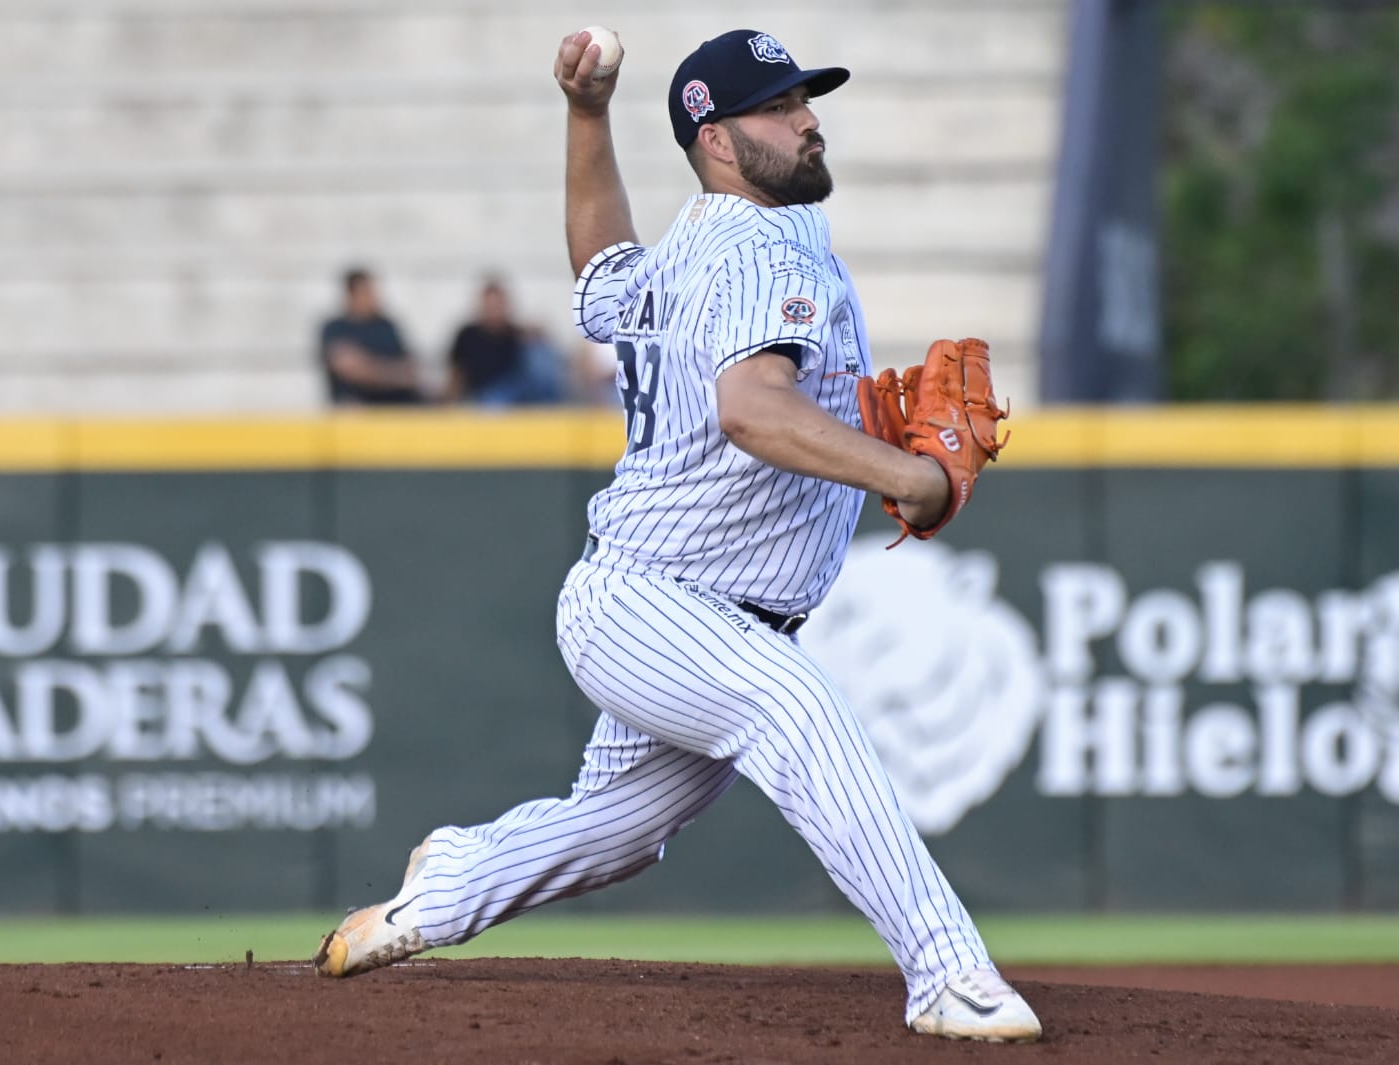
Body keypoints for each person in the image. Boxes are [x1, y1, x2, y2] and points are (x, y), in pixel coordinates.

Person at [311, 27, 1041, 1045]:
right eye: (778, 108)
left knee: (616, 831)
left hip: (677, 603)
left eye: (804, 100)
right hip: (660, 603)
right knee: (794, 711)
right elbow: (751, 409)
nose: (808, 120)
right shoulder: (762, 247)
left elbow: (601, 266)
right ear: (717, 141)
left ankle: (445, 887)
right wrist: (911, 479)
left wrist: (586, 115)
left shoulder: (693, 247)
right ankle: (948, 974)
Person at [443, 277, 566, 406]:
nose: (493, 312)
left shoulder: (516, 334)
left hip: (518, 394)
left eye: (497, 306)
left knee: (539, 352)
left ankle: (550, 405)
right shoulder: (468, 335)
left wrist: (536, 335)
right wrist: (449, 402)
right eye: (490, 306)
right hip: (484, 398)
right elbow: (457, 373)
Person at [317, 267, 424, 405]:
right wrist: (392, 374)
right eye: (366, 292)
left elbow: (410, 369)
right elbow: (347, 367)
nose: (373, 297)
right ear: (351, 295)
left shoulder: (387, 326)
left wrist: (369, 368)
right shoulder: (335, 328)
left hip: (394, 402)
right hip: (356, 404)